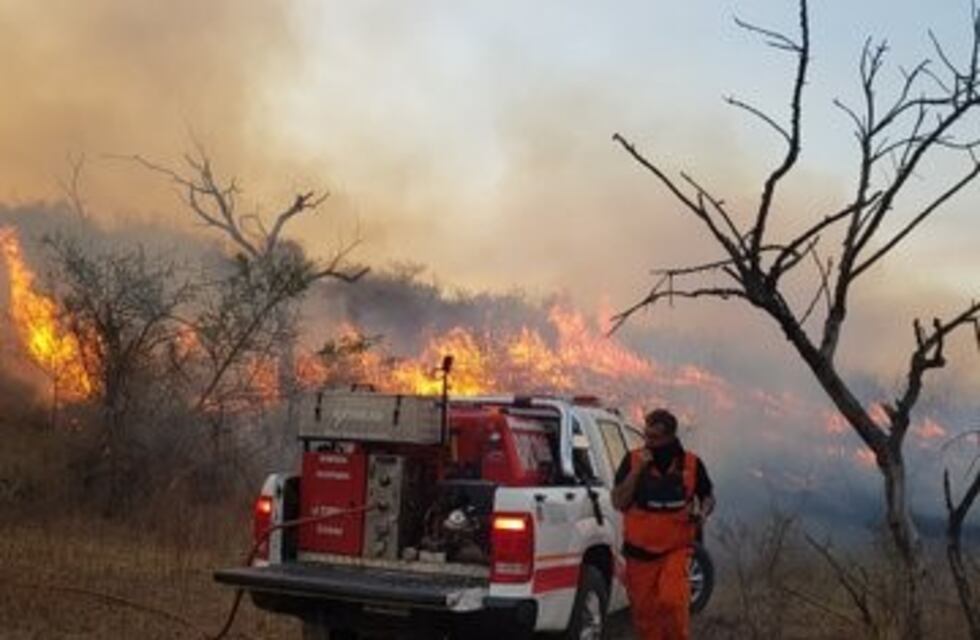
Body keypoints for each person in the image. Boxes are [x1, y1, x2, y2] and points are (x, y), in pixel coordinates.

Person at [612, 408, 714, 640]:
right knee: (645, 618)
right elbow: (618, 501)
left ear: (670, 437)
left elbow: (708, 495)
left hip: (675, 550)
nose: (648, 442)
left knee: (673, 603)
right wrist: (637, 472)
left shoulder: (692, 464)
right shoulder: (633, 460)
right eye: (646, 436)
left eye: (655, 438)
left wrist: (703, 511)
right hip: (639, 556)